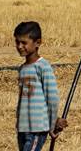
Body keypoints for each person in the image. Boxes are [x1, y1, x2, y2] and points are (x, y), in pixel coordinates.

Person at [14, 21, 67, 151]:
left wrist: (53, 122)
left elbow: (52, 98)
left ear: (37, 43)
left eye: (24, 43)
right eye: (17, 42)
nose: (19, 46)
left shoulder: (43, 67)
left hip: (37, 127)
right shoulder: (22, 68)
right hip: (23, 127)